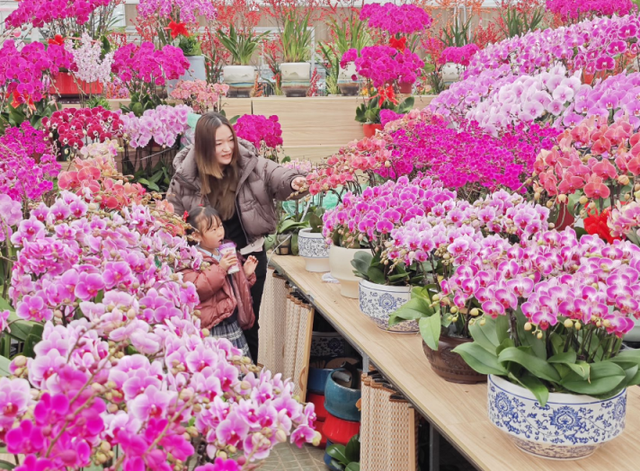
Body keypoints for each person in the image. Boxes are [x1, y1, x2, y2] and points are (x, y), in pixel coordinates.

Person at [168, 112, 307, 362]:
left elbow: (277, 175)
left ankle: (250, 381)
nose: (227, 148)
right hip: (208, 263)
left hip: (249, 256)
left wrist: (294, 181)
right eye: (218, 143)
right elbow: (171, 217)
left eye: (229, 140)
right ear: (204, 146)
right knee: (210, 323)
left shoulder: (250, 163)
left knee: (248, 321)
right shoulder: (186, 175)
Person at [181, 206, 258, 357]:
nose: (220, 232)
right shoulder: (190, 259)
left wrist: (246, 274)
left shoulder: (223, 251)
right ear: (197, 236)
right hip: (212, 325)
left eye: (220, 226)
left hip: (231, 321)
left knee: (237, 370)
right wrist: (221, 268)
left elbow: (231, 288)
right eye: (213, 229)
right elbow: (197, 289)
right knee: (216, 365)